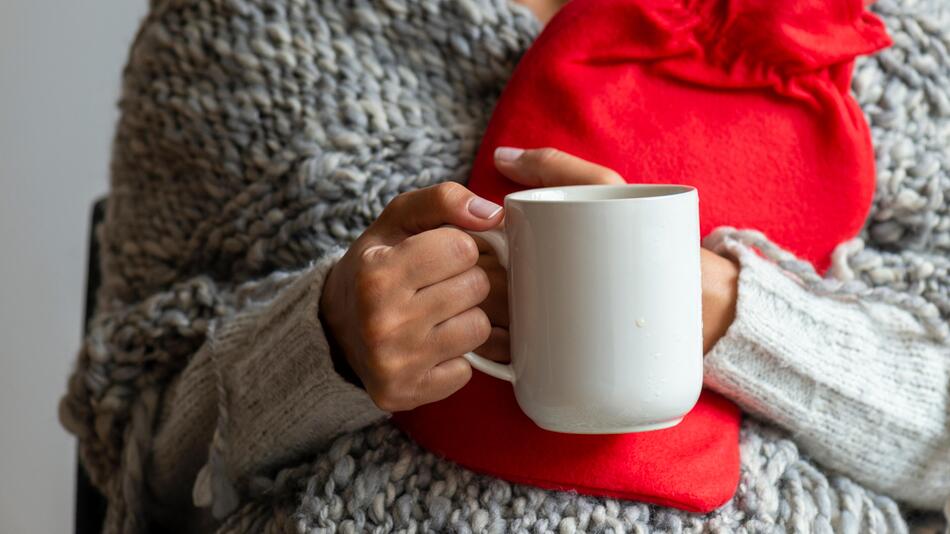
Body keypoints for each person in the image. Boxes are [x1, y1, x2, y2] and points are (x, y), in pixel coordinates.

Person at [60, 0, 949, 532]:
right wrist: (319, 346)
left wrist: (734, 316)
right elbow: (150, 471)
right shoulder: (240, 28)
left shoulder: (883, 36)